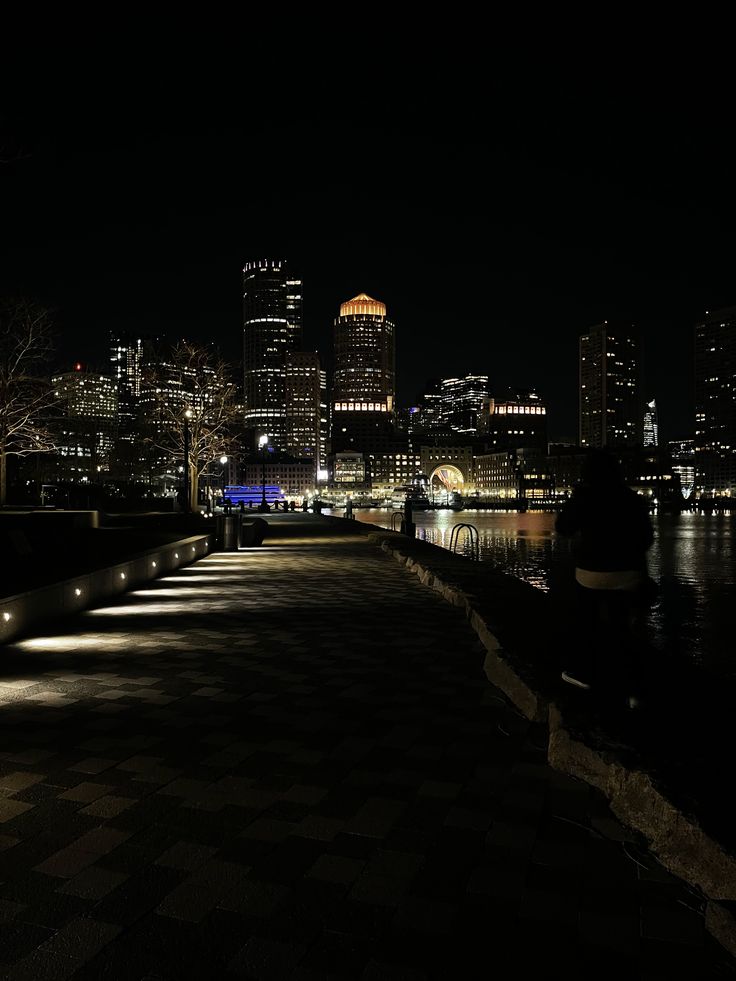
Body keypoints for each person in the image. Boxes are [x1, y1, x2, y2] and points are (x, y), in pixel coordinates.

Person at [555, 449, 654, 695]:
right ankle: (634, 689)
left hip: (591, 572)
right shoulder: (633, 499)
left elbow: (563, 527)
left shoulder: (584, 497)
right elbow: (647, 539)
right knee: (624, 627)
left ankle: (584, 673)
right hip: (628, 574)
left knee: (585, 621)